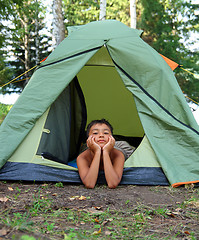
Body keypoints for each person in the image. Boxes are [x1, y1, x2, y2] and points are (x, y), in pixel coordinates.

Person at [77, 119, 125, 189]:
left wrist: (105, 152)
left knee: (125, 145)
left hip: (120, 146)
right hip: (89, 147)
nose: (101, 135)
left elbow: (113, 183)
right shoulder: (83, 157)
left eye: (105, 133)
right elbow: (89, 184)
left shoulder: (118, 155)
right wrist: (97, 152)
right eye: (95, 133)